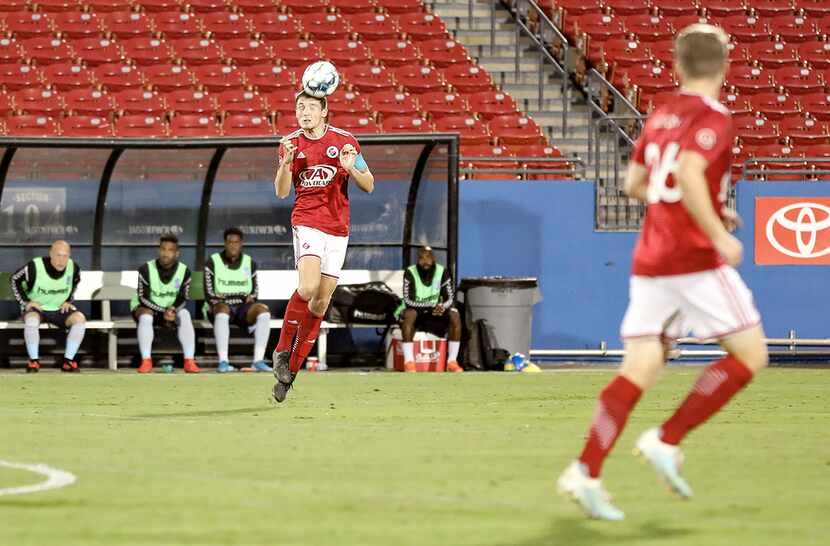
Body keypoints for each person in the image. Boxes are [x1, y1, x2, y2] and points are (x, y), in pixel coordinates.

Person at [557, 24, 769, 520]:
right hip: (692, 260)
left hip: (650, 261)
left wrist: (701, 209)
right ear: (725, 67)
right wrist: (717, 232)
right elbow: (691, 173)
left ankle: (585, 471)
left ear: (677, 65)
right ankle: (666, 440)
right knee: (751, 354)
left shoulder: (662, 114)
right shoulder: (714, 116)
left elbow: (635, 183)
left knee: (641, 368)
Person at [270, 88, 374, 403]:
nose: (304, 112)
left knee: (319, 304)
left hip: (337, 229)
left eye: (310, 107)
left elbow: (369, 184)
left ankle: (289, 377)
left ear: (324, 111)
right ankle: (281, 351)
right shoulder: (289, 144)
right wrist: (286, 164)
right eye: (299, 107)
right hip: (307, 221)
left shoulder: (346, 142)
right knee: (307, 287)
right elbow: (281, 192)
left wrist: (349, 169)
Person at [11, 240, 86, 372]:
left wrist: (68, 301)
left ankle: (68, 361)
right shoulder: (34, 266)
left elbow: (74, 285)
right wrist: (26, 302)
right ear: (50, 253)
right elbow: (14, 279)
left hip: (58, 309)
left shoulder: (74, 268)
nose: (61, 260)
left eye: (65, 256)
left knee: (79, 319)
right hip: (38, 308)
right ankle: (34, 361)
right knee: (32, 320)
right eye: (58, 255)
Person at [204, 227, 271, 373]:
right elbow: (210, 295)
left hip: (242, 310)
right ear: (225, 243)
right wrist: (239, 296)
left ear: (241, 244)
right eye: (230, 242)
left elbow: (254, 293)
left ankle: (258, 361)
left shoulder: (249, 262)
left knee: (263, 312)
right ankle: (223, 361)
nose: (233, 245)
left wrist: (230, 296)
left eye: (236, 242)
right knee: (222, 309)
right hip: (219, 308)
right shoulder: (213, 262)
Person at [130, 234, 200, 374]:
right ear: (159, 250)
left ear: (177, 253)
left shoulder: (184, 270)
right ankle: (146, 361)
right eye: (163, 249)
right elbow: (143, 297)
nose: (165, 253)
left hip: (171, 311)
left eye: (170, 250)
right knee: (146, 316)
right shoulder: (145, 269)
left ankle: (189, 361)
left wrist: (173, 309)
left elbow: (183, 297)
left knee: (185, 314)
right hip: (147, 308)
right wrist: (163, 311)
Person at [394, 246, 463, 373]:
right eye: (421, 258)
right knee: (409, 315)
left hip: (435, 312)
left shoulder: (442, 272)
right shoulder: (410, 272)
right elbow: (408, 300)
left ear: (434, 258)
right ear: (417, 260)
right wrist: (431, 307)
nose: (425, 261)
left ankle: (452, 362)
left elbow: (450, 298)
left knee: (455, 316)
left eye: (428, 257)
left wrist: (442, 307)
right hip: (416, 311)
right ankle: (409, 362)